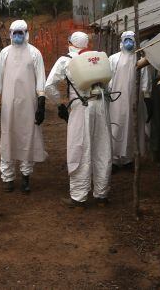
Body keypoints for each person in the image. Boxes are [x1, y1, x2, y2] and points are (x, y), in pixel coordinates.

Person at [44, 32, 112, 208]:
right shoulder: (97, 58)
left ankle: (79, 196)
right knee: (102, 148)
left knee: (80, 147)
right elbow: (108, 85)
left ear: (70, 43)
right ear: (86, 43)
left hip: (81, 108)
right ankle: (101, 195)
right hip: (101, 107)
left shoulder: (65, 60)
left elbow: (49, 86)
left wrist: (59, 104)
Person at [0, 20, 48, 194]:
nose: (17, 36)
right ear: (10, 34)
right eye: (14, 33)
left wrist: (41, 102)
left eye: (20, 33)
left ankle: (25, 176)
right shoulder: (5, 53)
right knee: (8, 138)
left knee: (27, 138)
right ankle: (7, 177)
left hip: (29, 105)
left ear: (26, 33)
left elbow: (40, 79)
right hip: (8, 105)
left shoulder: (34, 53)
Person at [108, 31, 137, 170]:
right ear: (121, 41)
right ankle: (113, 159)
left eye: (131, 39)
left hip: (133, 98)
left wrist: (147, 94)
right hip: (116, 99)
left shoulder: (139, 58)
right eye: (126, 39)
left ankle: (128, 159)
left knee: (131, 126)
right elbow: (108, 78)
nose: (128, 42)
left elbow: (144, 79)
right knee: (115, 125)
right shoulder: (113, 58)